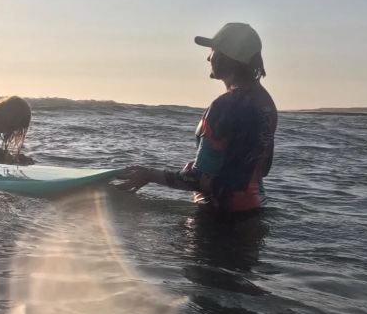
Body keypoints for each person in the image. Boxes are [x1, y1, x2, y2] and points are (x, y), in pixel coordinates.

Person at [116, 23, 276, 216]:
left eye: (213, 51)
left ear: (229, 57)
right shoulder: (266, 102)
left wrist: (149, 174)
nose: (208, 57)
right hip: (254, 211)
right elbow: (261, 168)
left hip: (219, 218)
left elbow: (200, 181)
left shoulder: (225, 105)